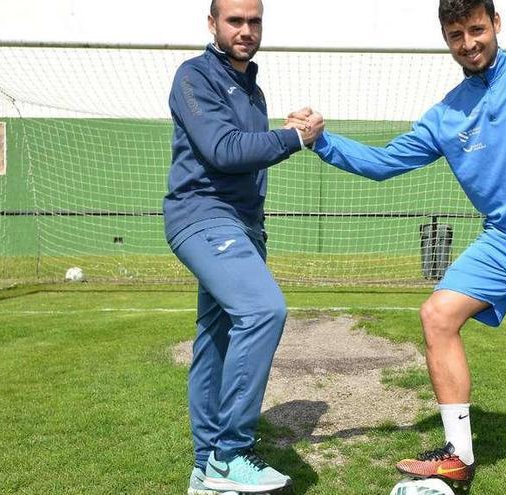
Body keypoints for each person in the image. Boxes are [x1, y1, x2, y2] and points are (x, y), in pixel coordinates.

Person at [288, 1, 506, 493]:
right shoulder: (447, 115)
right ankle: (458, 455)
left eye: (476, 29)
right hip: (504, 243)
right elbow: (384, 161)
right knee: (437, 315)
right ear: (446, 39)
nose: (468, 43)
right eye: (456, 34)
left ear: (496, 25)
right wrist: (321, 142)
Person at [163, 0, 324, 493]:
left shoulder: (252, 90)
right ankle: (231, 454)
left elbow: (251, 151)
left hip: (245, 226)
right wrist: (293, 137)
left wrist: (283, 127)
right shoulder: (194, 76)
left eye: (254, 21)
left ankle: (204, 468)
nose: (246, 29)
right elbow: (222, 150)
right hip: (202, 216)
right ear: (212, 23)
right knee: (263, 310)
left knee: (215, 341)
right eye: (235, 20)